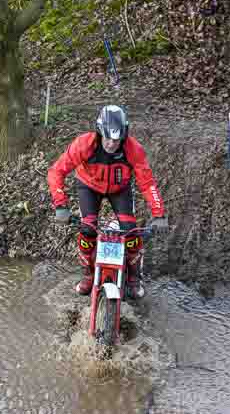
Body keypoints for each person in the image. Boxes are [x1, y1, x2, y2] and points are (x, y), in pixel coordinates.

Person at [48, 104, 168, 298]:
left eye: (117, 139)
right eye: (108, 138)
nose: (112, 144)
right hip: (88, 186)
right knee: (87, 229)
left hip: (119, 189)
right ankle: (88, 274)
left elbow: (147, 183)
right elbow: (56, 171)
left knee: (130, 232)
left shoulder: (133, 149)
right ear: (99, 132)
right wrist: (60, 205)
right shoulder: (84, 144)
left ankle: (134, 277)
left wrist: (159, 214)